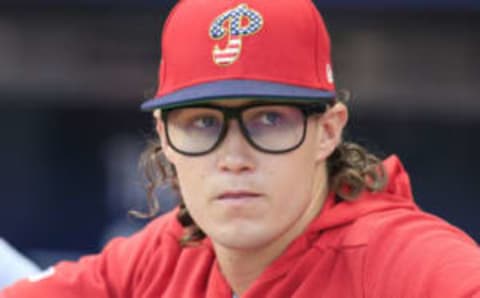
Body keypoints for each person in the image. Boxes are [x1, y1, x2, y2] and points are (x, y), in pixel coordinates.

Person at [2, 0, 480, 297]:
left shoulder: (407, 264)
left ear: (329, 131)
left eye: (269, 120)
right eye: (204, 123)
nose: (234, 157)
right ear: (165, 136)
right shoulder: (169, 252)